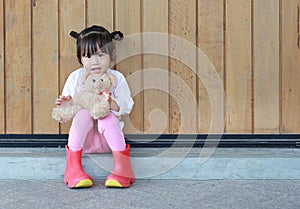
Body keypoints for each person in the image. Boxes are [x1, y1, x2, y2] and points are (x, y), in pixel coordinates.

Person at [55, 25, 135, 189]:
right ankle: (73, 169)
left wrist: (109, 101)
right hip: (85, 141)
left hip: (109, 141)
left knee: (106, 115)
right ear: (80, 58)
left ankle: (122, 169)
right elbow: (68, 112)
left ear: (112, 55)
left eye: (101, 54)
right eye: (88, 56)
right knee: (83, 114)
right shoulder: (76, 77)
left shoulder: (116, 78)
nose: (95, 61)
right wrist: (67, 104)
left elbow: (127, 106)